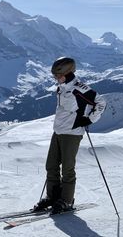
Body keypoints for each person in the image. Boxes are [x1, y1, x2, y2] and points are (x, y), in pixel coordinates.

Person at [33, 57, 106, 214]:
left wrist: (89, 118)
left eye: (58, 76)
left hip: (72, 133)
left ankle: (66, 200)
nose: (56, 79)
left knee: (67, 168)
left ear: (68, 73)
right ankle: (52, 197)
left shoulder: (80, 88)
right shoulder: (62, 87)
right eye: (55, 76)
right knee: (51, 165)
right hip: (58, 131)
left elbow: (101, 102)